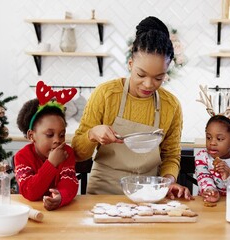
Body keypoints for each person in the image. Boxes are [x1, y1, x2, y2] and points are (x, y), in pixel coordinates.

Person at [72, 16, 193, 200]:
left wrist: (168, 182)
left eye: (158, 78)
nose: (148, 84)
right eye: (141, 74)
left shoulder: (171, 105)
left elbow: (171, 155)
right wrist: (92, 134)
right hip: (104, 192)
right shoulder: (106, 94)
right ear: (130, 65)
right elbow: (78, 153)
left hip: (149, 194)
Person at [14, 81, 79, 210]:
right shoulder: (22, 157)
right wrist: (51, 164)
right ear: (32, 136)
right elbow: (29, 192)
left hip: (61, 213)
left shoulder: (66, 153)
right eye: (49, 134)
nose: (57, 140)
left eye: (62, 134)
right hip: (29, 211)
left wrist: (61, 196)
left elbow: (69, 182)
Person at [195, 87, 230, 203]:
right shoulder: (202, 156)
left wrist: (229, 174)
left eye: (220, 138)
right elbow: (203, 177)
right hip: (208, 204)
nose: (212, 142)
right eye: (208, 137)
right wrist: (211, 191)